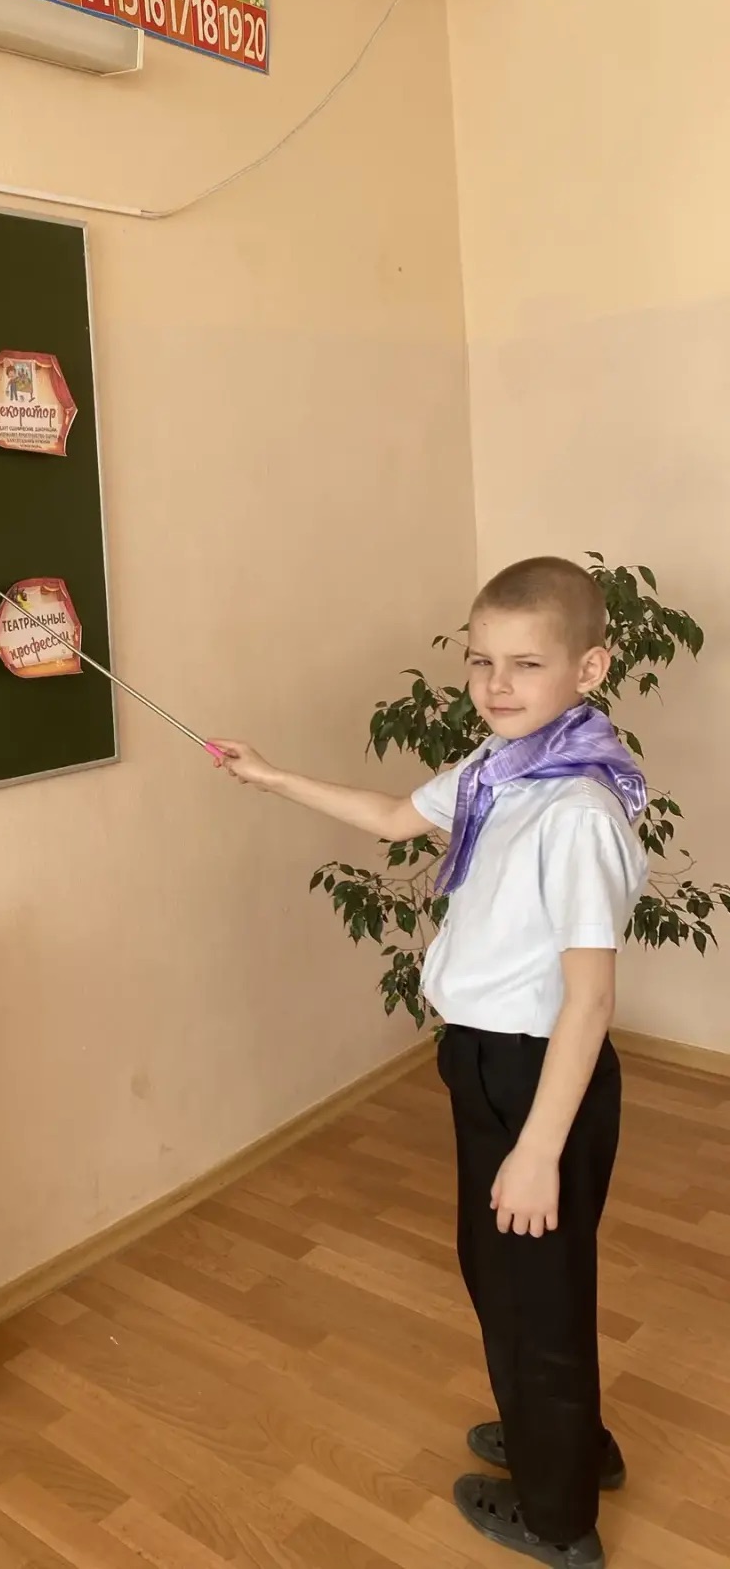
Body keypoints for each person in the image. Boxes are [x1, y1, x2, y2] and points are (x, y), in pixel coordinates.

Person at [212, 558, 648, 1569]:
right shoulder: (502, 769)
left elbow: (589, 1000)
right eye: (480, 661)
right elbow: (394, 817)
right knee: (506, 1274)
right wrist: (271, 775)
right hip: (484, 1059)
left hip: (539, 1076)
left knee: (533, 1295)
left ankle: (557, 1519)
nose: (496, 684)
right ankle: (568, 1441)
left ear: (588, 668)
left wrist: (537, 1150)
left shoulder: (575, 810)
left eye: (526, 663)